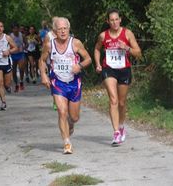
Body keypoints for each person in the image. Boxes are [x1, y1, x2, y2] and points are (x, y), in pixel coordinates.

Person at [39, 17, 92, 154]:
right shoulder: (49, 45)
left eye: (65, 28)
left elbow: (88, 59)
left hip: (74, 83)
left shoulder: (76, 43)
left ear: (69, 29)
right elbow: (42, 60)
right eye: (59, 29)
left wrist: (79, 66)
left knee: (74, 117)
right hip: (58, 82)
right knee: (62, 112)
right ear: (55, 31)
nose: (62, 31)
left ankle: (71, 125)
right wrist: (44, 75)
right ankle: (67, 142)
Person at [94, 9, 142, 146]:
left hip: (124, 70)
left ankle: (121, 126)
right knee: (113, 100)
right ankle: (115, 132)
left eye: (116, 19)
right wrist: (98, 64)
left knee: (121, 103)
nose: (114, 22)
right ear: (107, 21)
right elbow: (97, 49)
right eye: (112, 20)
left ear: (120, 20)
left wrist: (126, 48)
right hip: (109, 69)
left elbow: (138, 53)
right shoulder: (103, 36)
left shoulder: (127, 33)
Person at [10, 24, 26, 92]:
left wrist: (25, 47)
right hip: (13, 55)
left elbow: (26, 42)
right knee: (13, 71)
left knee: (21, 68)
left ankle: (21, 81)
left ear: (18, 29)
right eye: (14, 29)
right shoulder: (10, 36)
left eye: (17, 28)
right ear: (12, 29)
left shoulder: (22, 35)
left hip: (21, 54)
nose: (16, 30)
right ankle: (16, 84)